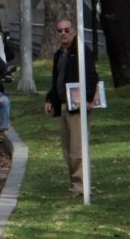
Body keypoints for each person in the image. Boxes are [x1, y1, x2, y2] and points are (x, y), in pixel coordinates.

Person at [44, 19, 99, 197]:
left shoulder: (82, 51)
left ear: (73, 31)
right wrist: (50, 99)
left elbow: (92, 77)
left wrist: (88, 99)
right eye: (60, 31)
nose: (63, 34)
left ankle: (81, 186)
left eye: (66, 30)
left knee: (77, 149)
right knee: (68, 150)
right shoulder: (59, 55)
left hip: (78, 106)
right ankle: (76, 184)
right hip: (64, 105)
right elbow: (56, 81)